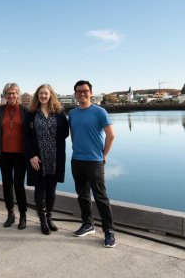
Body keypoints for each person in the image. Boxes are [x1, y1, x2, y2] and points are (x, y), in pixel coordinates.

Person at [68, 80, 116, 248]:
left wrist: (104, 155)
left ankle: (109, 230)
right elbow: (74, 134)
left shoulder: (100, 112)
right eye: (79, 91)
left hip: (95, 161)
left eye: (85, 91)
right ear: (75, 94)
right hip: (77, 160)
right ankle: (88, 224)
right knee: (82, 195)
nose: (82, 93)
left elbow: (111, 135)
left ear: (91, 93)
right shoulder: (72, 113)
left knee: (100, 196)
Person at [24, 84, 69, 235]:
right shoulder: (31, 113)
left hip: (55, 157)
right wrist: (31, 155)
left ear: (51, 95)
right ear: (37, 96)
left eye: (46, 93)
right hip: (37, 158)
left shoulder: (59, 112)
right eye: (41, 93)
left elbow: (65, 133)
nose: (43, 96)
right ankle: (42, 220)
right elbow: (26, 138)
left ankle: (49, 217)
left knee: (51, 191)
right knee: (40, 190)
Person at [0, 83, 29, 229]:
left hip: (21, 154)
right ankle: (10, 214)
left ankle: (23, 216)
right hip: (4, 154)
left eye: (14, 93)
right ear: (4, 95)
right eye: (8, 93)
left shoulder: (25, 111)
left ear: (18, 95)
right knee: (7, 185)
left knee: (19, 185)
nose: (11, 96)